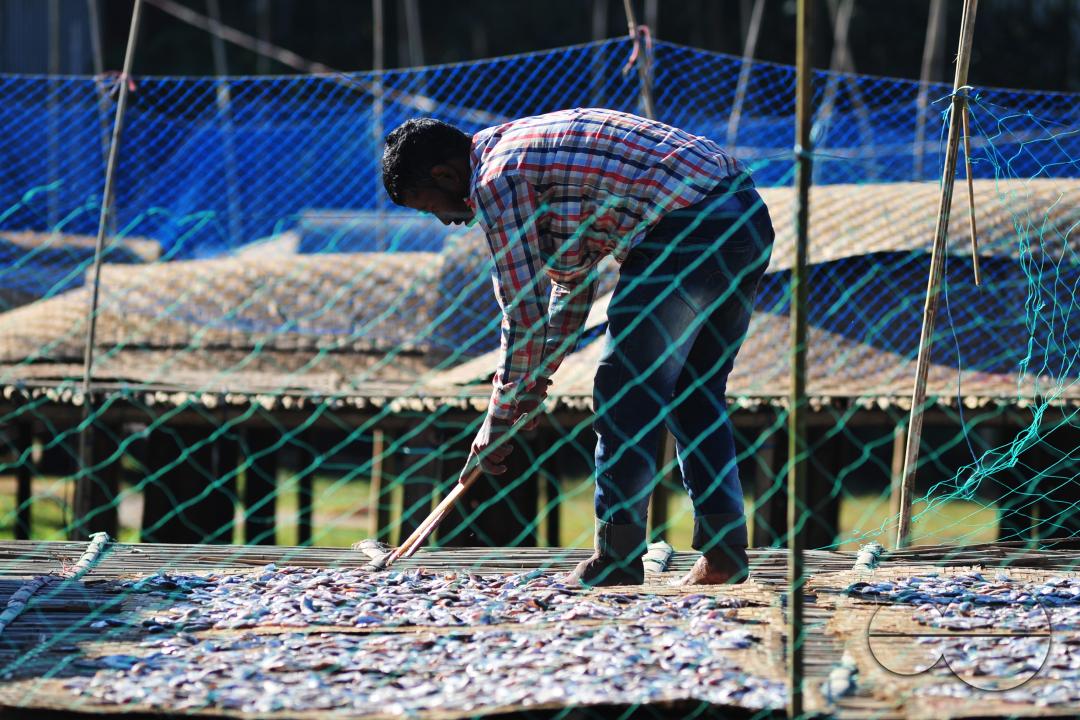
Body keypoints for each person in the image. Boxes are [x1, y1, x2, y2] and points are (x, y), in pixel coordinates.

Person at [381, 108, 774, 586]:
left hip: (687, 232)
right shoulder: (524, 154)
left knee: (625, 392)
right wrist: (534, 381)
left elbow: (522, 312)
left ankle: (617, 555)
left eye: (433, 207)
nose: (447, 222)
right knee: (694, 393)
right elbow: (570, 288)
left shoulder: (496, 179)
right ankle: (725, 554)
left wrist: (497, 419)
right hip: (745, 220)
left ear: (445, 174)